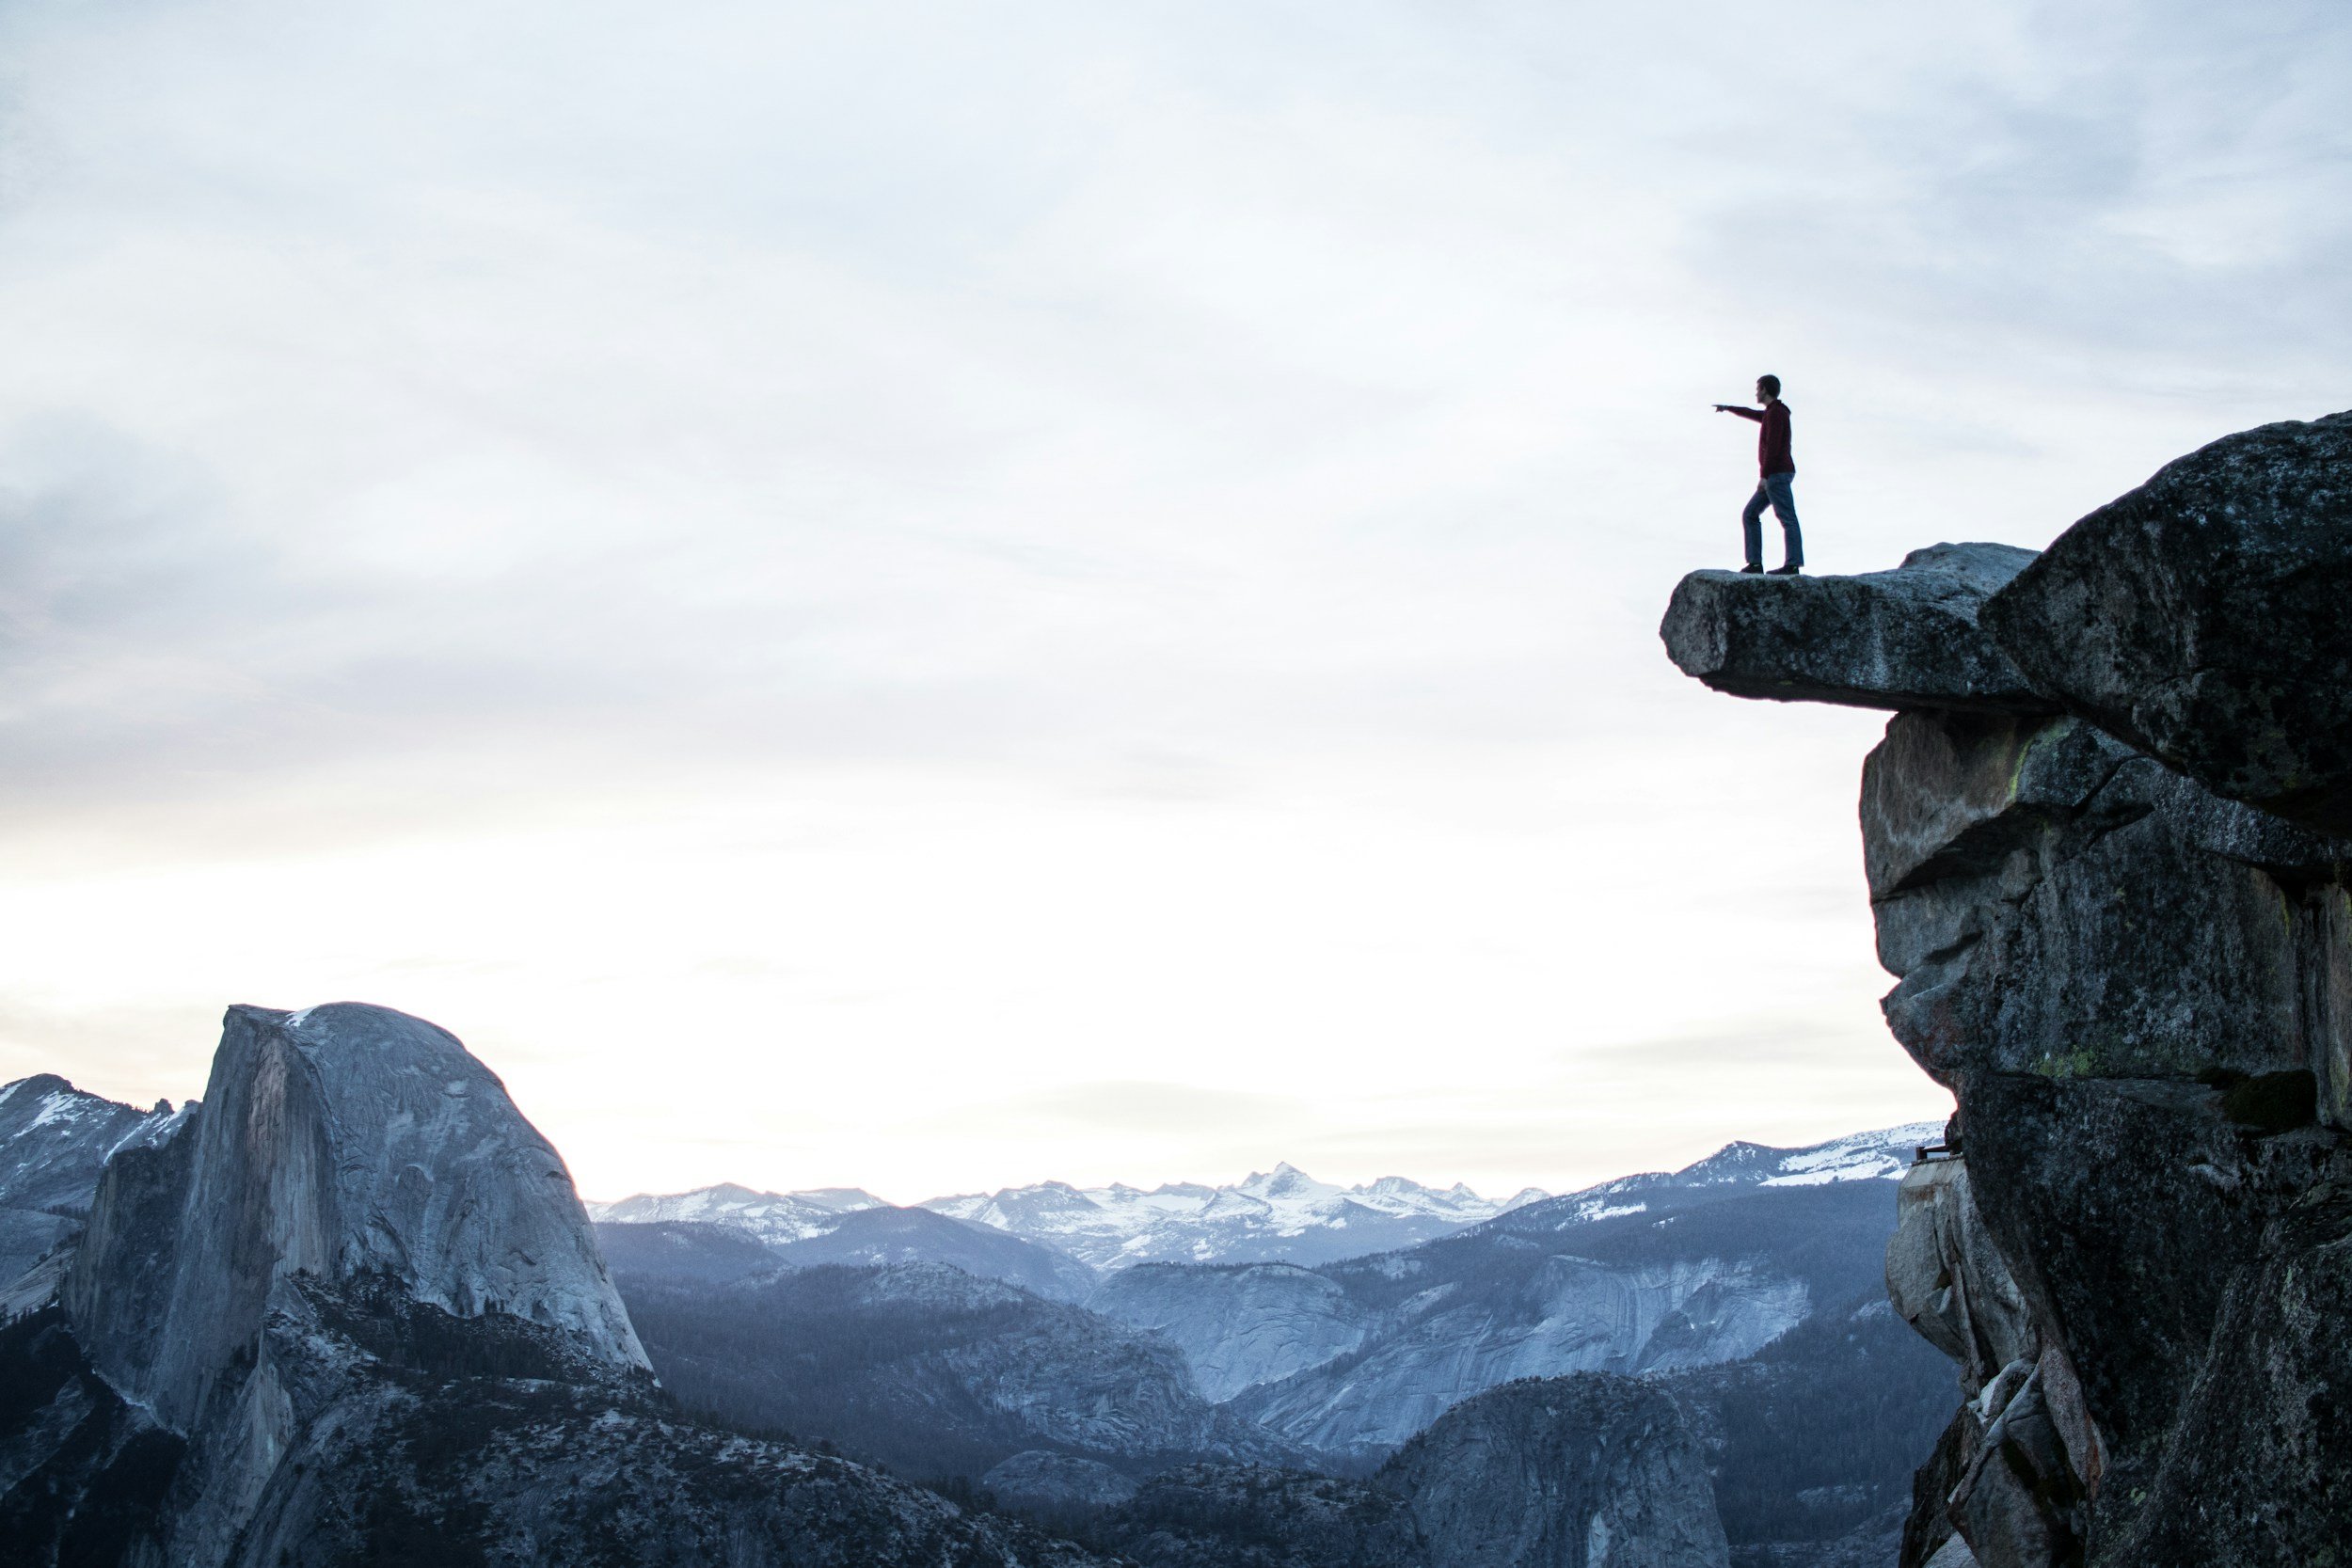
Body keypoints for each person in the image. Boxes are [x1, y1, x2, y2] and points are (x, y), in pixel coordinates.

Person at [1713, 375, 1804, 575]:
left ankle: (1793, 564)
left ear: (1764, 389)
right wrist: (1728, 408)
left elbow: (1773, 446)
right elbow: (1753, 414)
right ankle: (1755, 564)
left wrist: (1764, 475)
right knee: (1750, 514)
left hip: (1776, 474)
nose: (1756, 392)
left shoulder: (1777, 414)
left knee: (1787, 517)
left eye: (1758, 388)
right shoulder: (1772, 413)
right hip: (1775, 474)